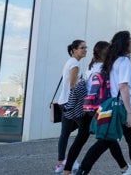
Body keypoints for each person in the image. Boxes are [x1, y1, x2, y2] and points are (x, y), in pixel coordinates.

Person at [76, 31, 131, 175]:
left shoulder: (112, 62)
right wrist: (129, 113)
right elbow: (123, 86)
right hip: (125, 107)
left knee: (106, 142)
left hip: (115, 106)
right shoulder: (124, 62)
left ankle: (83, 170)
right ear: (125, 44)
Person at [63, 41, 131, 175]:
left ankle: (66, 171)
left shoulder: (91, 67)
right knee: (108, 138)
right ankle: (86, 170)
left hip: (87, 108)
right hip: (101, 109)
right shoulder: (106, 68)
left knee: (82, 141)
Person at [55, 40, 87, 173]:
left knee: (65, 133)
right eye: (82, 48)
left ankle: (61, 162)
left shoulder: (71, 62)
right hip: (71, 103)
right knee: (86, 128)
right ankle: (67, 161)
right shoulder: (74, 64)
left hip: (64, 102)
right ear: (74, 50)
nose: (85, 50)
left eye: (86, 48)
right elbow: (73, 86)